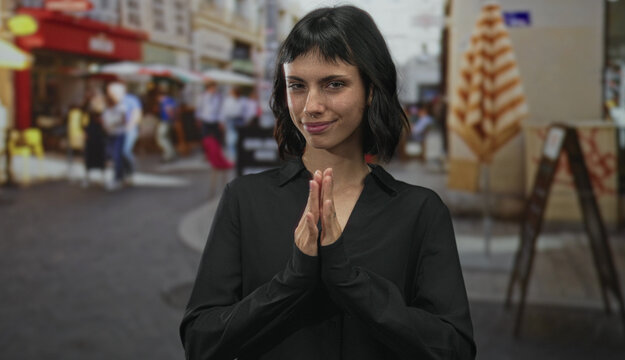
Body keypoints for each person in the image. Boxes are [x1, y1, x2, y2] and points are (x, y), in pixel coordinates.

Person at [181, 5, 476, 360]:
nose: (312, 106)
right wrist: (293, 279)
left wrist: (348, 279)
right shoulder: (246, 200)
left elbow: (453, 348)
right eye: (297, 86)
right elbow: (201, 340)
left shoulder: (420, 211)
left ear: (370, 88)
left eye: (334, 84)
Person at [156, 85, 178, 162]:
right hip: (169, 121)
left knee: (161, 138)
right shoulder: (171, 100)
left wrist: (173, 120)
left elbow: (170, 111)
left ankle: (168, 154)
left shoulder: (165, 102)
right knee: (167, 138)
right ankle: (172, 154)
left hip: (166, 121)